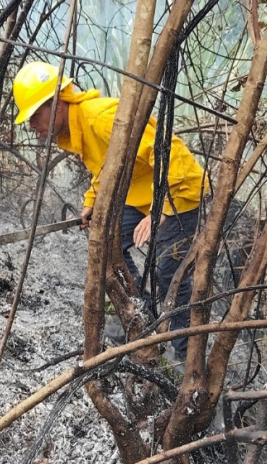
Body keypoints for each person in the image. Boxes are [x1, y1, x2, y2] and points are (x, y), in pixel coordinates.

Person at [12, 61, 207, 359]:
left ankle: (186, 357)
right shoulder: (79, 128)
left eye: (35, 115)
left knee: (170, 275)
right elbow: (105, 167)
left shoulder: (101, 119)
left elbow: (171, 153)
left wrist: (160, 210)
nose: (32, 127)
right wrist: (92, 201)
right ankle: (140, 317)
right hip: (141, 196)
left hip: (178, 195)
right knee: (106, 245)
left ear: (56, 103)